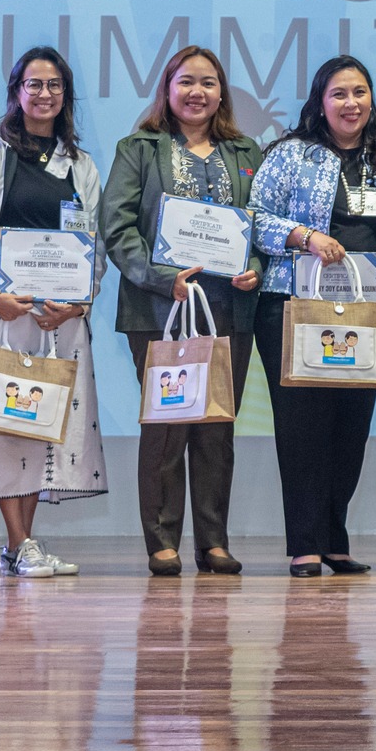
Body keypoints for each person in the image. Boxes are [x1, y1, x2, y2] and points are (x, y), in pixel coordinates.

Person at [249, 56, 376, 577]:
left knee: (351, 428)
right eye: (340, 94)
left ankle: (334, 539)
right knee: (302, 428)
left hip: (368, 313)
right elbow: (254, 220)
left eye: (360, 93)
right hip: (293, 308)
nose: (352, 104)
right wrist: (302, 237)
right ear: (320, 103)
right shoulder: (288, 154)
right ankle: (304, 543)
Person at [100, 45, 264, 577]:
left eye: (209, 83)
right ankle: (162, 541)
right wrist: (160, 278)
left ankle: (213, 540)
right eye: (186, 82)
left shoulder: (245, 151)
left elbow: (263, 224)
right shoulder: (138, 148)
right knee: (167, 426)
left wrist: (255, 266)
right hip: (161, 309)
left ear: (222, 93)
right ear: (167, 89)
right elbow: (118, 227)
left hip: (229, 309)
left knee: (217, 428)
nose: (197, 92)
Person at [0, 47, 108, 576]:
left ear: (66, 95)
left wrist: (79, 301)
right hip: (3, 314)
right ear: (16, 92)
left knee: (40, 428)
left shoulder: (80, 166)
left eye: (55, 85)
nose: (44, 95)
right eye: (34, 85)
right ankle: (18, 542)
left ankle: (23, 545)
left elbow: (94, 246)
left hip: (57, 320)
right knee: (2, 425)